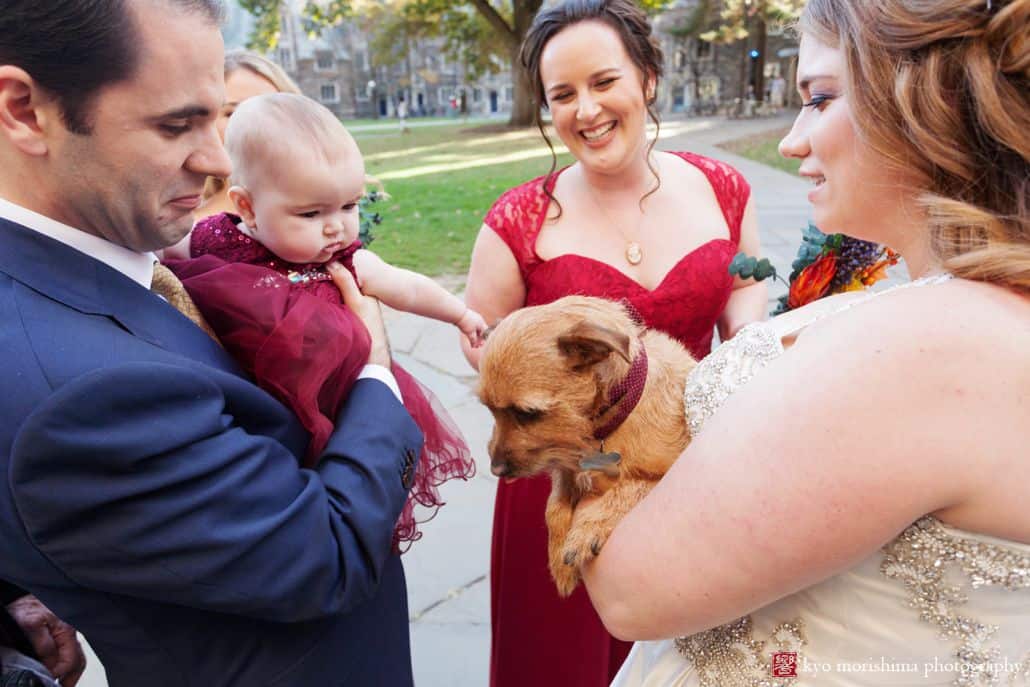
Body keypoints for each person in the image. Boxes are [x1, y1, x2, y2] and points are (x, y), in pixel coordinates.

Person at [576, 0, 1030, 684]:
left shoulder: (924, 349)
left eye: (819, 98)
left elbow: (631, 589)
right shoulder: (972, 318)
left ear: (923, 99)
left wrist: (573, 429)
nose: (790, 141)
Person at [0, 2, 424, 685]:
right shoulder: (76, 394)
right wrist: (375, 370)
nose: (219, 160)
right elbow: (330, 551)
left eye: (216, 116)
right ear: (24, 110)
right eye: (177, 125)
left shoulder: (112, 265)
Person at [461, 0, 767, 684]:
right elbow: (482, 341)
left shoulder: (722, 188)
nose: (585, 110)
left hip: (682, 464)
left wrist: (750, 337)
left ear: (648, 78)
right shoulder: (517, 219)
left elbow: (746, 281)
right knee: (558, 664)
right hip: (564, 478)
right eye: (562, 94)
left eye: (603, 82)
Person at [165, 92, 482, 548]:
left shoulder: (346, 263)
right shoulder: (214, 240)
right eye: (311, 214)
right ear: (248, 207)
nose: (336, 227)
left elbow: (407, 286)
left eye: (349, 206)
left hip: (334, 407)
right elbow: (159, 253)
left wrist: (459, 313)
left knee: (342, 488)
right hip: (250, 405)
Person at [196, 50, 301, 220]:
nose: (254, 123)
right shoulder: (185, 232)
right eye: (232, 112)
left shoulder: (330, 207)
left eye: (270, 109)